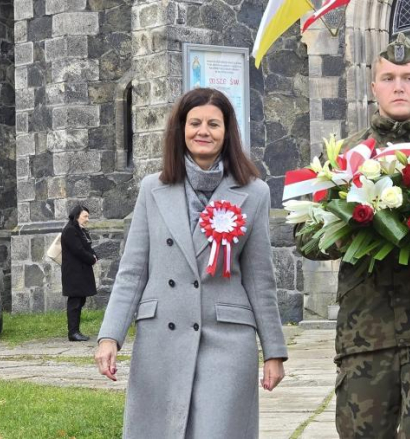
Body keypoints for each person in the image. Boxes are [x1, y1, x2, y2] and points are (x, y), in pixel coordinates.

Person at [296, 33, 410, 438]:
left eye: (408, 78)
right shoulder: (342, 157)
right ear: (373, 86)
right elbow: (304, 235)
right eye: (389, 77)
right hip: (365, 330)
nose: (398, 86)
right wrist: (356, 229)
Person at [95, 88, 288, 438]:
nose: (204, 130)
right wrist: (110, 336)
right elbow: (133, 271)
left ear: (227, 132)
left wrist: (273, 351)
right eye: (195, 122)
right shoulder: (152, 188)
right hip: (161, 341)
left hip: (227, 341)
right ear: (180, 129)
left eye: (214, 124)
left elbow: (261, 280)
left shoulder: (255, 192)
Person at [61, 205, 97, 342]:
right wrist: (91, 259)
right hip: (74, 272)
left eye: (88, 216)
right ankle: (73, 332)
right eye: (85, 216)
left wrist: (94, 256)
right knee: (75, 302)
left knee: (79, 301)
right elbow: (78, 250)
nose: (87, 219)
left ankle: (75, 330)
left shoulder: (79, 230)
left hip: (80, 271)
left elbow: (86, 247)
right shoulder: (70, 230)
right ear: (77, 216)